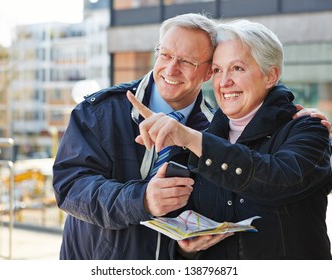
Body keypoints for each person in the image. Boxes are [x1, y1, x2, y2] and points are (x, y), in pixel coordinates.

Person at [127, 19, 332, 260]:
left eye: (237, 68)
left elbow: (278, 179)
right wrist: (186, 248)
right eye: (217, 70)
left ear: (270, 76)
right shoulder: (204, 136)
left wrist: (194, 140)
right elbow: (186, 224)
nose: (224, 82)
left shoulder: (308, 128)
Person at [52, 13, 218, 260]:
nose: (171, 68)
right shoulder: (98, 111)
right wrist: (142, 200)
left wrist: (185, 248)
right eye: (166, 55)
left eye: (187, 61)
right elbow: (70, 188)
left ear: (208, 73)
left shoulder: (215, 132)